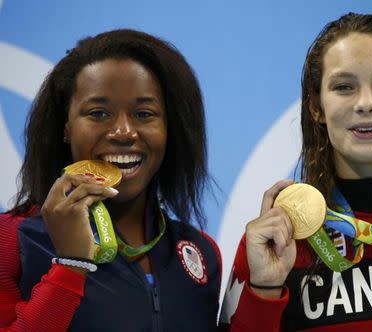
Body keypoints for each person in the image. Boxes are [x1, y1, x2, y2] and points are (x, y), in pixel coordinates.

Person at [219, 13, 372, 331]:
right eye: (344, 87)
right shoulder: (278, 239)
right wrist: (265, 290)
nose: (366, 103)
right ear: (317, 107)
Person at [0, 29, 221, 331]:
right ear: (66, 126)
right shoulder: (11, 240)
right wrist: (70, 267)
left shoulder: (200, 253)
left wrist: (263, 291)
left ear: (170, 129)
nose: (124, 132)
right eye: (99, 113)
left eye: (144, 114)